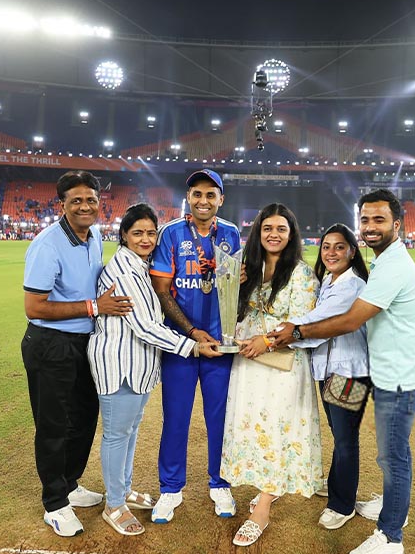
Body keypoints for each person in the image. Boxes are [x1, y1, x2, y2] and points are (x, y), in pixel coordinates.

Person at [268, 189, 415, 554]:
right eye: (366, 219)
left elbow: (345, 322)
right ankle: (391, 506)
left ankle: (387, 534)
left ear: (397, 223)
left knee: (382, 451)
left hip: (387, 374)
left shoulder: (380, 271)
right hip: (374, 371)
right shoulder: (361, 270)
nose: (371, 226)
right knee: (354, 440)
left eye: (379, 219)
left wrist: (291, 332)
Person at [87, 203, 221, 536]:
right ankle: (114, 505)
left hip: (138, 364)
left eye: (150, 233)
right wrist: (192, 344)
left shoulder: (139, 266)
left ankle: (124, 490)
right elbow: (145, 326)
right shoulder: (121, 271)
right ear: (124, 235)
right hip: (120, 364)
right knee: (117, 435)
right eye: (137, 233)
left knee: (129, 431)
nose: (145, 239)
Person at [21, 170, 134, 537]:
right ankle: (55, 503)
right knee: (53, 426)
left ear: (99, 203)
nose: (85, 206)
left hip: (87, 343)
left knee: (84, 419)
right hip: (50, 343)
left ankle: (69, 483)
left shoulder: (95, 235)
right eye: (76, 201)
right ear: (63, 204)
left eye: (91, 200)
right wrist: (93, 307)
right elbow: (34, 307)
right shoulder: (47, 244)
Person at [220, 203, 321, 547]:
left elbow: (301, 324)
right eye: (267, 229)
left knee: (277, 430)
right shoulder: (250, 268)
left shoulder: (301, 274)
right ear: (258, 233)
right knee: (252, 426)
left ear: (291, 234)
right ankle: (267, 487)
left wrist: (265, 341)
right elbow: (228, 311)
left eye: (281, 228)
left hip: (281, 366)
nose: (273, 235)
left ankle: (262, 509)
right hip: (248, 363)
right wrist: (234, 286)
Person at [149, 169, 241, 522]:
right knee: (176, 418)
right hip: (181, 347)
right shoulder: (170, 233)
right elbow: (161, 291)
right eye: (197, 194)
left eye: (210, 194)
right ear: (188, 197)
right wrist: (190, 332)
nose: (203, 200)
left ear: (221, 199)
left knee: (220, 418)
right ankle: (170, 490)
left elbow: (234, 283)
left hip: (220, 346)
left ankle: (220, 483)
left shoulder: (231, 233)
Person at [288, 223, 370, 531]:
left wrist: (278, 335)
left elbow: (317, 323)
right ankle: (337, 484)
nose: (331, 252)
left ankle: (342, 504)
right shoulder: (328, 281)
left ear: (352, 251)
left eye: (339, 247)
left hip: (348, 372)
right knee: (340, 434)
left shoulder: (352, 285)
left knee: (346, 439)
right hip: (329, 370)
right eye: (326, 247)